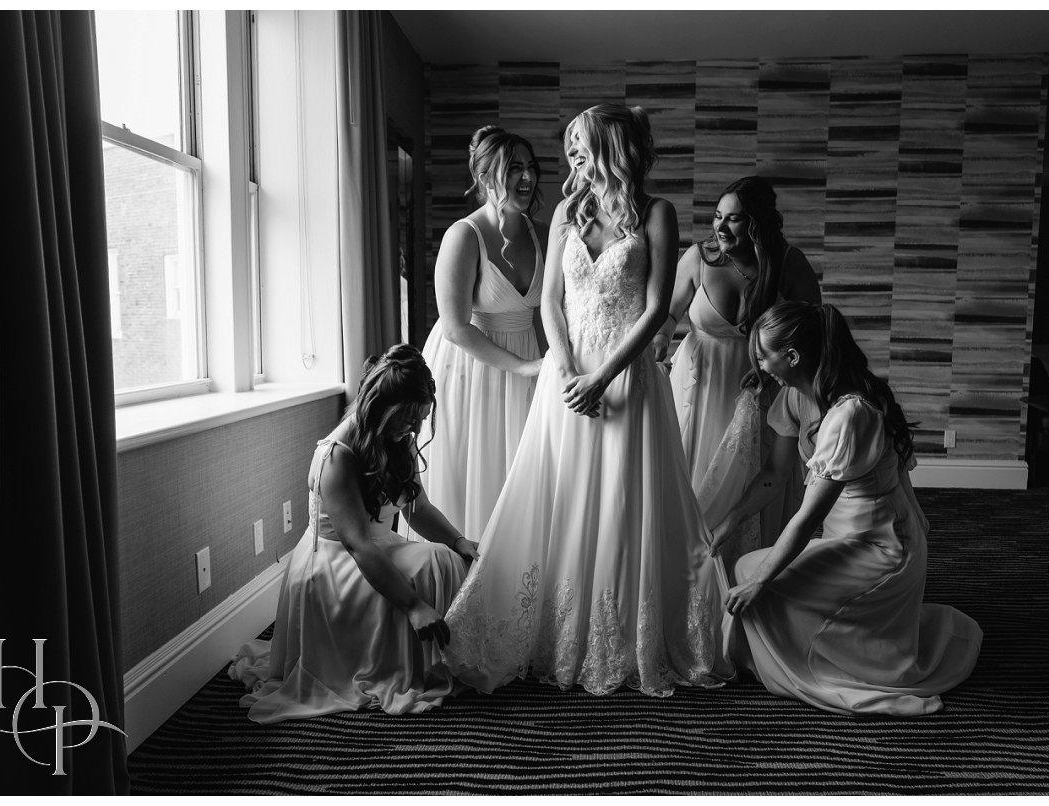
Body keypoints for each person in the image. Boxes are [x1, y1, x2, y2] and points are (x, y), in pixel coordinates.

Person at [442, 103, 732, 698]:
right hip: (567, 378)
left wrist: (604, 378)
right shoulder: (566, 213)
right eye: (569, 144)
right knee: (561, 495)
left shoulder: (656, 213)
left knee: (625, 499)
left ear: (609, 145)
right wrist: (567, 368)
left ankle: (621, 633)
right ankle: (552, 627)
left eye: (580, 143)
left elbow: (657, 308)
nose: (570, 155)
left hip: (626, 378)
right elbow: (551, 300)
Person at [710, 301, 982, 716]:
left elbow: (809, 517)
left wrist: (761, 583)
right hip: (847, 535)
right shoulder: (795, 397)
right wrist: (730, 521)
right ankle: (815, 647)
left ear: (792, 356)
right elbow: (774, 475)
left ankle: (830, 666)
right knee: (747, 566)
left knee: (755, 577)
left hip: (882, 547)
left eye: (763, 356)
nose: (759, 366)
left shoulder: (850, 414)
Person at [229, 344, 480, 721]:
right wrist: (413, 607)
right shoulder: (337, 456)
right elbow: (359, 545)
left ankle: (435, 661)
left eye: (420, 419)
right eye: (409, 419)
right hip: (335, 566)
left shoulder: (396, 440)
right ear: (383, 408)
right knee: (429, 566)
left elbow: (420, 509)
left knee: (446, 558)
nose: (414, 429)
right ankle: (406, 664)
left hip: (375, 548)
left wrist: (460, 541)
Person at [655, 177, 821, 573]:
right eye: (718, 216)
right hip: (698, 385)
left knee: (753, 480)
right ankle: (685, 575)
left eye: (734, 219)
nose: (721, 227)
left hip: (761, 387)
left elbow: (813, 332)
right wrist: (659, 340)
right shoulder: (699, 258)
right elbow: (669, 315)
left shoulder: (788, 263)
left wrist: (777, 373)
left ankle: (746, 575)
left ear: (757, 224)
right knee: (692, 478)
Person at [417, 125, 548, 542]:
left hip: (527, 360)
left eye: (530, 167)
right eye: (514, 168)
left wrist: (550, 364)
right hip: (471, 365)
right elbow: (455, 328)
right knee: (477, 471)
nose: (527, 177)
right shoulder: (463, 236)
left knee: (522, 472)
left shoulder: (543, 234)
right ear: (485, 176)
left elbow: (543, 311)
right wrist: (523, 366)